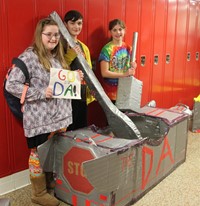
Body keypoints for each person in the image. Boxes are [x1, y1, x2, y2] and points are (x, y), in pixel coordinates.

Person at [5, 18, 83, 206]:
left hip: (59, 118)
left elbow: (61, 85)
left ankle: (49, 185)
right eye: (49, 34)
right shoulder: (29, 57)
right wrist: (40, 92)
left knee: (54, 153)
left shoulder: (56, 57)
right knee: (38, 155)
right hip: (40, 120)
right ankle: (38, 193)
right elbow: (11, 84)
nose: (53, 38)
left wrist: (75, 78)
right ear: (40, 35)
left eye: (56, 34)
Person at [63, 10, 95, 131]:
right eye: (73, 23)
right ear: (65, 24)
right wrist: (71, 55)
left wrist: (90, 89)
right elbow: (56, 69)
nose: (77, 27)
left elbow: (88, 71)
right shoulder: (60, 44)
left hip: (80, 93)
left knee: (81, 129)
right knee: (68, 130)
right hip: (66, 94)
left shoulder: (83, 47)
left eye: (79, 23)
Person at [99, 19, 137, 102]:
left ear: (124, 31)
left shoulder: (129, 48)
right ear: (110, 32)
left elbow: (130, 68)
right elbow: (104, 73)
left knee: (126, 115)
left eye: (120, 29)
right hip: (111, 93)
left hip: (125, 91)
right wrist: (124, 74)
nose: (118, 32)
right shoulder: (107, 49)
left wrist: (134, 66)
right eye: (114, 30)